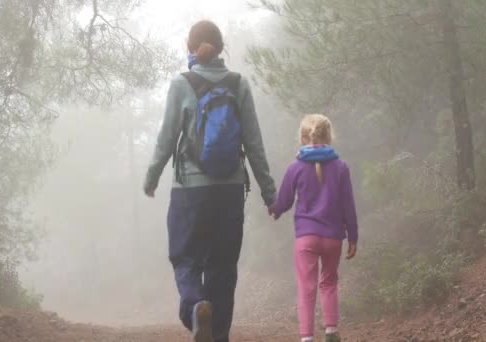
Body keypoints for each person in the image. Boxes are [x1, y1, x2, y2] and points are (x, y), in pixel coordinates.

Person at [143, 20, 276, 342]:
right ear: (221, 48)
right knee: (223, 267)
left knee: (185, 257)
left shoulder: (181, 84)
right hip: (229, 191)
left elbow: (166, 138)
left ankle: (195, 306)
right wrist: (269, 192)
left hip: (190, 191)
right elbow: (254, 144)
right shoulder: (239, 84)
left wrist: (152, 176)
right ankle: (218, 337)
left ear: (191, 47)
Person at [269, 114, 358, 342]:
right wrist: (353, 237)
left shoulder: (295, 167)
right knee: (329, 282)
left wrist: (275, 210)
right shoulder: (341, 167)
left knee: (306, 288)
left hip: (306, 237)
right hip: (333, 238)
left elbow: (285, 200)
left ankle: (307, 337)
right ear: (329, 136)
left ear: (302, 137)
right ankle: (330, 331)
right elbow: (348, 205)